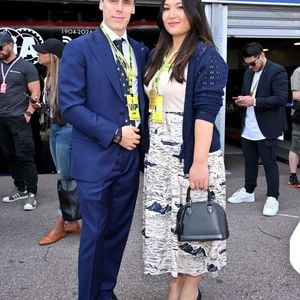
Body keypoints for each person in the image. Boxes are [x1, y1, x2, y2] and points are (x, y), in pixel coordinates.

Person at [58, 0, 149, 299]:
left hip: (131, 156)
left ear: (134, 8)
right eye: (113, 1)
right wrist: (113, 133)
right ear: (101, 4)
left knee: (117, 234)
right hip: (97, 157)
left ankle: (106, 292)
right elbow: (70, 105)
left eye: (126, 2)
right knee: (95, 235)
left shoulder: (140, 51)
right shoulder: (80, 48)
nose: (119, 8)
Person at [143, 0, 228, 299]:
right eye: (166, 8)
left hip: (191, 154)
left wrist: (200, 162)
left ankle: (190, 290)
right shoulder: (157, 54)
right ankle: (172, 289)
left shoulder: (207, 56)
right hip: (158, 160)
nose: (172, 14)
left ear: (194, 12)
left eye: (180, 6)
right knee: (166, 231)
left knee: (193, 230)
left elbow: (206, 112)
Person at [228, 42, 289, 216]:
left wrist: (253, 102)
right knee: (249, 161)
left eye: (253, 63)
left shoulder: (277, 71)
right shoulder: (248, 72)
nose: (251, 67)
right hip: (249, 125)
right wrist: (242, 100)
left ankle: (272, 197)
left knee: (269, 163)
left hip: (268, 126)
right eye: (248, 64)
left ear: (262, 55)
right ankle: (248, 191)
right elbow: (249, 94)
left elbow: (280, 99)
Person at [32, 38, 81, 246]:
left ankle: (61, 224)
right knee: (64, 177)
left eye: (41, 52)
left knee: (66, 178)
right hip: (55, 128)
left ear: (53, 57)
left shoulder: (67, 77)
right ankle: (72, 221)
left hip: (67, 129)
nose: (37, 54)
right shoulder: (49, 76)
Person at [0, 31, 40, 211]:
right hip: (2, 119)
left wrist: (29, 113)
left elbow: (35, 93)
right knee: (10, 155)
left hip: (19, 118)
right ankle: (21, 188)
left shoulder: (26, 66)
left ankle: (32, 194)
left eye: (0, 47)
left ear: (9, 45)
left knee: (25, 156)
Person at [288, 66, 300, 187]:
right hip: (299, 115)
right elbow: (296, 95)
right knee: (296, 146)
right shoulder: (298, 72)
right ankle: (293, 175)